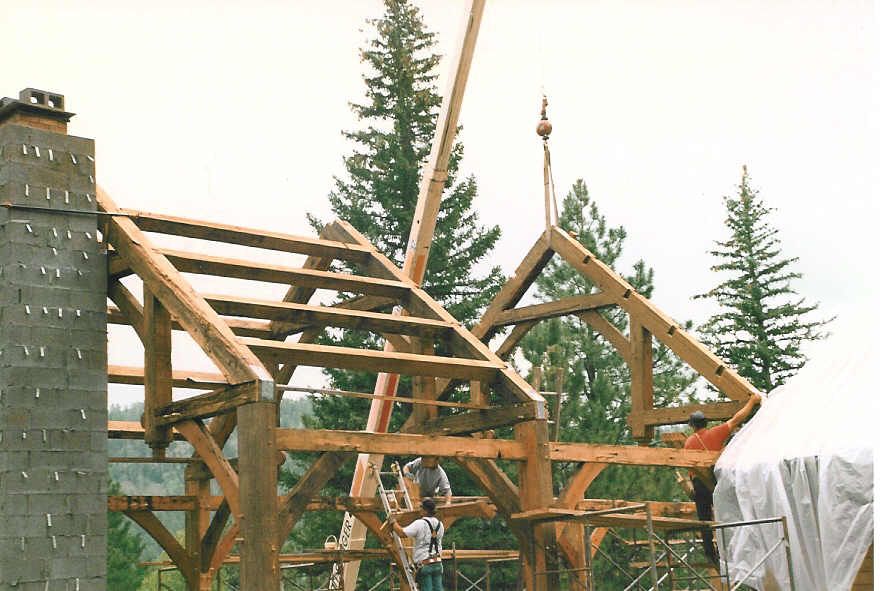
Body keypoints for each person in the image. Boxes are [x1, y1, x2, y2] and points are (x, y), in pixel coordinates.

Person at [684, 393, 762, 564]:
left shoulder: (689, 442)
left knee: (704, 521)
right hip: (716, 482)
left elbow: (689, 469)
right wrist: (752, 401)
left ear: (692, 426)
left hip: (699, 484)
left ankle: (711, 553)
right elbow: (737, 419)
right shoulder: (716, 433)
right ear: (706, 423)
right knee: (725, 517)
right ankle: (729, 551)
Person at [387, 498, 445, 591]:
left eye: (421, 508)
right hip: (437, 563)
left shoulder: (420, 523)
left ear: (425, 510)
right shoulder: (440, 525)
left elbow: (402, 533)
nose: (419, 510)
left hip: (425, 564)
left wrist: (393, 522)